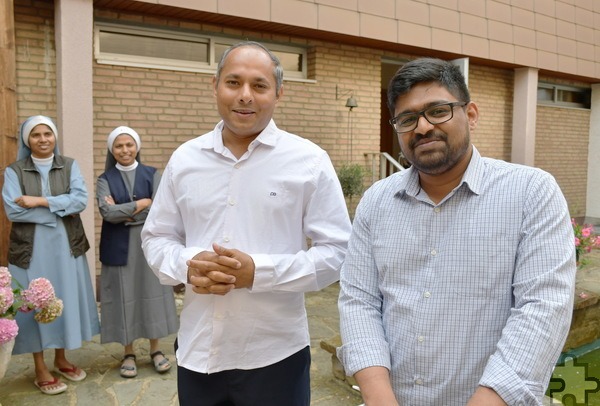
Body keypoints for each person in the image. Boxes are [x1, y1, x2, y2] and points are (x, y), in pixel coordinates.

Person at [337, 58, 577, 406]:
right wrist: (379, 398)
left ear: (472, 115)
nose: (421, 127)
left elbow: (543, 307)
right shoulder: (377, 201)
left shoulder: (531, 192)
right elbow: (359, 300)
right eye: (407, 119)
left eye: (438, 110)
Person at [141, 41, 352, 406]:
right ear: (215, 86)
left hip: (275, 354)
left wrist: (259, 272)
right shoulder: (185, 159)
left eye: (259, 85)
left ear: (278, 93)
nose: (244, 96)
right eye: (233, 82)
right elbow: (157, 238)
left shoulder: (309, 161)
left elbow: (337, 252)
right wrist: (189, 266)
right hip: (198, 349)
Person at [2, 115, 100, 395]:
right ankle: (40, 366)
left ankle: (60, 359)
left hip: (66, 245)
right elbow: (13, 210)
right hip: (30, 250)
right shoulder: (14, 171)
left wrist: (40, 201)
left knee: (61, 298)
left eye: (48, 134)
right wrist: (57, 209)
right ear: (27, 140)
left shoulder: (68, 166)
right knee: (35, 302)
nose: (43, 139)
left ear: (55, 137)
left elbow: (80, 200)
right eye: (36, 135)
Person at [96, 126, 178, 379]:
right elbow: (106, 213)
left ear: (137, 147)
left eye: (129, 145)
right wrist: (142, 204)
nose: (125, 150)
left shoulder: (153, 174)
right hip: (118, 247)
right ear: (112, 150)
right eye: (119, 146)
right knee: (124, 296)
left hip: (148, 244)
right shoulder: (104, 179)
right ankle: (128, 352)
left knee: (151, 292)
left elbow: (160, 209)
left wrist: (123, 211)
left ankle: (155, 350)